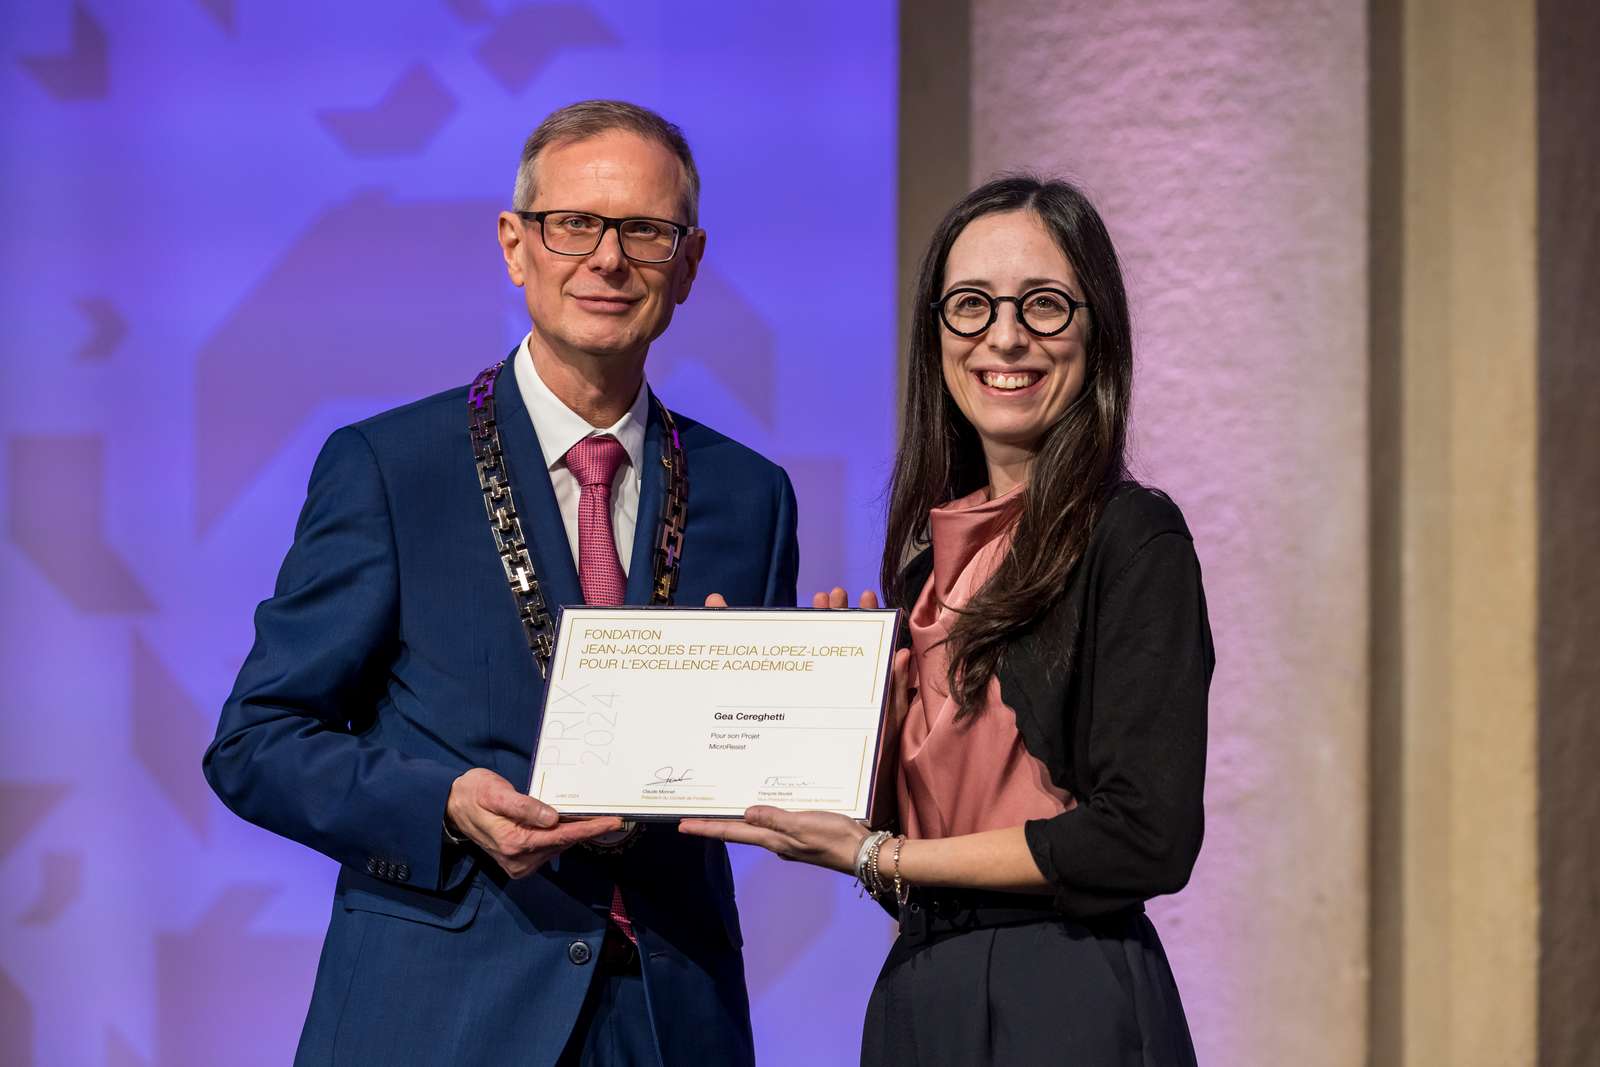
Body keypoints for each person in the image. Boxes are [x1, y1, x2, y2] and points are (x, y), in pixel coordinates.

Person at [203, 100, 797, 1066]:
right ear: (516, 246)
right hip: (439, 1015)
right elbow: (256, 743)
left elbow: (748, 776)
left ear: (688, 266)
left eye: (645, 231)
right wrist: (443, 803)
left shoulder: (750, 494)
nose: (607, 259)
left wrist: (837, 707)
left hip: (669, 1019)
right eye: (574, 225)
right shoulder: (393, 468)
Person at [682, 175, 1212, 1065]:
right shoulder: (929, 566)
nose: (1005, 337)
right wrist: (813, 716)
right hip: (926, 987)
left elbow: (1144, 836)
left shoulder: (1131, 534)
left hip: (1064, 994)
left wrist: (882, 856)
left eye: (1044, 305)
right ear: (936, 334)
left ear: (1098, 329)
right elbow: (926, 843)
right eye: (971, 306)